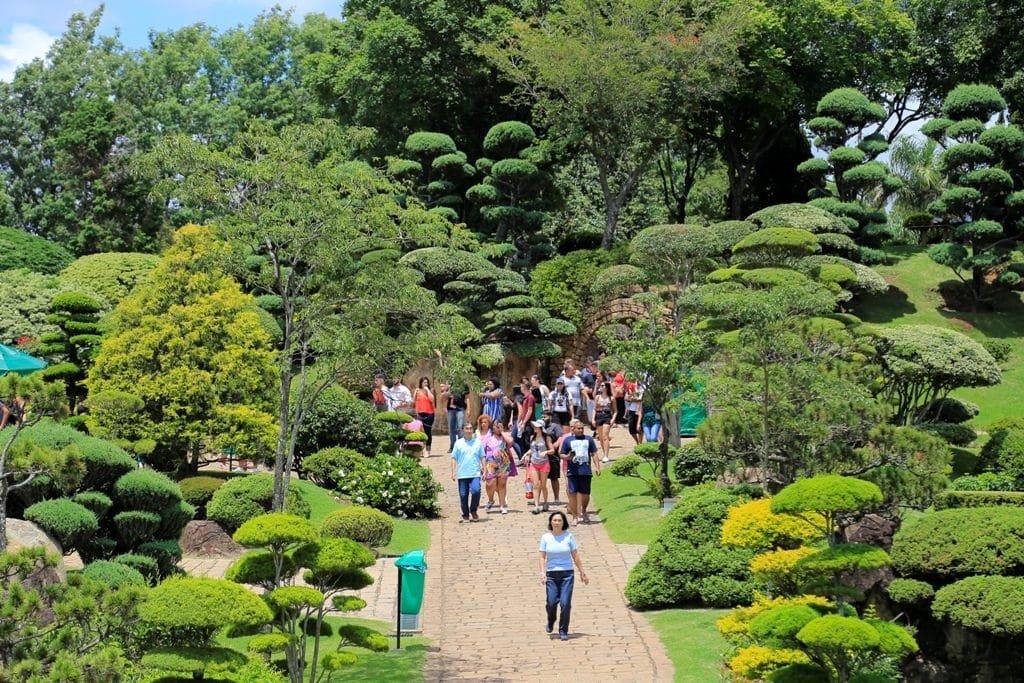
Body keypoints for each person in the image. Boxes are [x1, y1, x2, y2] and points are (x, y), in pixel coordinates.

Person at [538, 511, 589, 641]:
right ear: (551, 522)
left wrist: (582, 572)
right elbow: (542, 557)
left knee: (565, 603)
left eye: (559, 520)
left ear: (563, 523)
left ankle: (563, 630)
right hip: (551, 574)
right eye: (554, 520)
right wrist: (543, 573)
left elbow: (575, 555)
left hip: (567, 574)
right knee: (551, 602)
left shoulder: (569, 537)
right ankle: (551, 620)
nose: (557, 522)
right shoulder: (546, 538)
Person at [560, 419, 601, 526]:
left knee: (585, 494)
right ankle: (574, 516)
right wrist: (568, 457)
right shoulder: (568, 440)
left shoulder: (589, 440)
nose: (581, 430)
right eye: (578, 428)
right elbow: (561, 454)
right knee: (572, 494)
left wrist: (597, 467)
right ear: (573, 429)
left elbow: (594, 453)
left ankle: (584, 510)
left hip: (585, 470)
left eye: (582, 428)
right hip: (572, 471)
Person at [451, 424, 484, 522]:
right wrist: (453, 471)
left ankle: (473, 510)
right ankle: (465, 513)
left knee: (476, 491)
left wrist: (485, 469)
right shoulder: (458, 443)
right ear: (463, 430)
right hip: (462, 474)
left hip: (475, 473)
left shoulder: (478, 443)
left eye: (470, 428)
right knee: (463, 495)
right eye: (467, 428)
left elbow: (482, 456)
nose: (469, 431)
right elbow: (453, 458)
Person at [483, 421, 514, 514]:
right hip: (490, 463)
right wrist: (482, 465)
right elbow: (482, 453)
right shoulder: (488, 438)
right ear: (493, 427)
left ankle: (502, 506)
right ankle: (491, 500)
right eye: (497, 426)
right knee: (490, 483)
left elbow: (510, 442)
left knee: (502, 484)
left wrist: (503, 432)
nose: (498, 428)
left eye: (500, 426)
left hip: (503, 463)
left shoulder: (505, 437)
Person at [524, 419, 553, 514]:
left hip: (544, 463)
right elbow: (532, 449)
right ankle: (536, 505)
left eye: (536, 426)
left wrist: (546, 452)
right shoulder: (532, 437)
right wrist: (526, 454)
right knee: (536, 485)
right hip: (534, 463)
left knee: (543, 485)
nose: (535, 428)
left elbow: (552, 450)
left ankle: (545, 502)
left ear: (541, 428)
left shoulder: (546, 438)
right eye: (534, 426)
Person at [590, 381, 616, 463]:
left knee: (605, 436)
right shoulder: (597, 397)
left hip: (607, 416)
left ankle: (606, 455)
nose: (600, 387)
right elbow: (594, 409)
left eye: (602, 385)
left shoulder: (611, 398)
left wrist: (613, 419)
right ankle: (604, 453)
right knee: (600, 438)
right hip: (598, 416)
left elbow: (615, 411)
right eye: (600, 385)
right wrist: (593, 419)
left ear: (606, 387)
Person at [542, 414, 565, 506]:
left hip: (553, 456)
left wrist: (556, 444)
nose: (543, 418)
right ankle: (541, 498)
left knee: (554, 478)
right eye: (542, 417)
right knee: (540, 479)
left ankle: (556, 498)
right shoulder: (540, 426)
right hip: (542, 457)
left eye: (545, 417)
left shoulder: (555, 426)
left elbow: (561, 437)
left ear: (550, 417)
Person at [440, 382, 468, 453]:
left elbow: (467, 398)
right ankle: (453, 447)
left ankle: (461, 447)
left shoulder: (464, 385)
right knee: (451, 428)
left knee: (460, 427)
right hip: (451, 410)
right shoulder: (449, 385)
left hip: (461, 408)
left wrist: (469, 409)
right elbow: (443, 396)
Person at [413, 377, 436, 455]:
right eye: (424, 382)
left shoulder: (431, 390)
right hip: (419, 413)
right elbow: (413, 401)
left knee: (427, 432)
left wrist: (427, 390)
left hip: (429, 414)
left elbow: (432, 400)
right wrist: (415, 393)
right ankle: (421, 449)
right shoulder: (417, 390)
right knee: (420, 432)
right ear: (421, 383)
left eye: (426, 382)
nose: (425, 384)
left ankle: (428, 450)